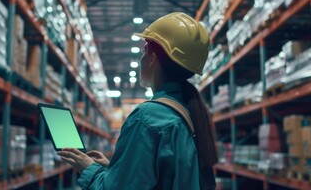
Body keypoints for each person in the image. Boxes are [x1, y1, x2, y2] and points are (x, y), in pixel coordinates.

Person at [58, 12, 218, 189]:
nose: (142, 57)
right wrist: (115, 168)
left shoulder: (147, 117)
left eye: (144, 51)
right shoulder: (190, 111)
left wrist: (88, 168)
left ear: (152, 58)